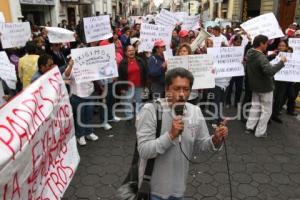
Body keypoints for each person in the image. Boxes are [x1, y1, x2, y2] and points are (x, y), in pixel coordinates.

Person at [136, 67, 228, 200]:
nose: (181, 94)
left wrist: (216, 139)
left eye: (185, 89)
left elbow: (202, 144)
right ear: (167, 89)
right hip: (153, 190)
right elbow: (144, 151)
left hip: (178, 189)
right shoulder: (150, 111)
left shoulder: (195, 111)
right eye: (176, 88)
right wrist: (170, 135)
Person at [245, 35, 287, 138]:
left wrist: (271, 56)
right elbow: (270, 71)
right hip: (265, 87)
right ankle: (260, 132)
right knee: (266, 110)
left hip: (255, 86)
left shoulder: (250, 52)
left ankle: (249, 127)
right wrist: (282, 62)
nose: (267, 45)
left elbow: (259, 62)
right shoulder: (261, 57)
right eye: (266, 43)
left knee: (255, 106)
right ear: (261, 44)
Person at [64, 59, 99, 145]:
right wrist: (71, 65)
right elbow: (65, 76)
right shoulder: (72, 67)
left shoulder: (90, 66)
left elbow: (98, 74)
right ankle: (80, 135)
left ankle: (89, 132)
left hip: (89, 94)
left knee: (89, 115)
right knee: (80, 117)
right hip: (77, 96)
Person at [118, 45, 148, 119]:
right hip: (128, 86)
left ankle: (139, 115)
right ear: (126, 53)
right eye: (129, 50)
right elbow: (120, 76)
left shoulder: (140, 60)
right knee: (128, 101)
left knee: (139, 101)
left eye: (133, 50)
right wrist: (122, 88)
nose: (131, 52)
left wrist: (145, 85)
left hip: (139, 85)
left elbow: (145, 73)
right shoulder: (122, 63)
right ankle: (129, 116)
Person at [226, 35, 244, 107]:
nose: (238, 44)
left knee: (239, 88)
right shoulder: (229, 49)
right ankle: (228, 102)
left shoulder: (243, 49)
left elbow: (245, 58)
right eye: (237, 42)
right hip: (231, 72)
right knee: (229, 87)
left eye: (240, 42)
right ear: (234, 42)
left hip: (239, 71)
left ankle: (237, 102)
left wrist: (244, 60)